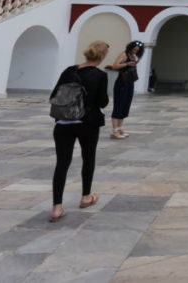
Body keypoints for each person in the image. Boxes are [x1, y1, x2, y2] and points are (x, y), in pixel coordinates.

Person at [49, 41, 110, 222]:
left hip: (63, 122)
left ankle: (57, 207)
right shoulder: (100, 75)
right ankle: (85, 197)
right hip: (87, 123)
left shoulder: (69, 70)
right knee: (88, 158)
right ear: (102, 57)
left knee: (62, 163)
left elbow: (54, 95)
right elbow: (102, 102)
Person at [106, 40, 144, 139]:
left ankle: (120, 128)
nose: (136, 50)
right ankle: (115, 131)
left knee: (125, 106)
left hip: (130, 83)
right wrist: (127, 64)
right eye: (134, 49)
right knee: (119, 105)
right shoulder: (124, 54)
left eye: (138, 50)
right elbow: (115, 65)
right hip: (121, 83)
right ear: (130, 47)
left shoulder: (134, 56)